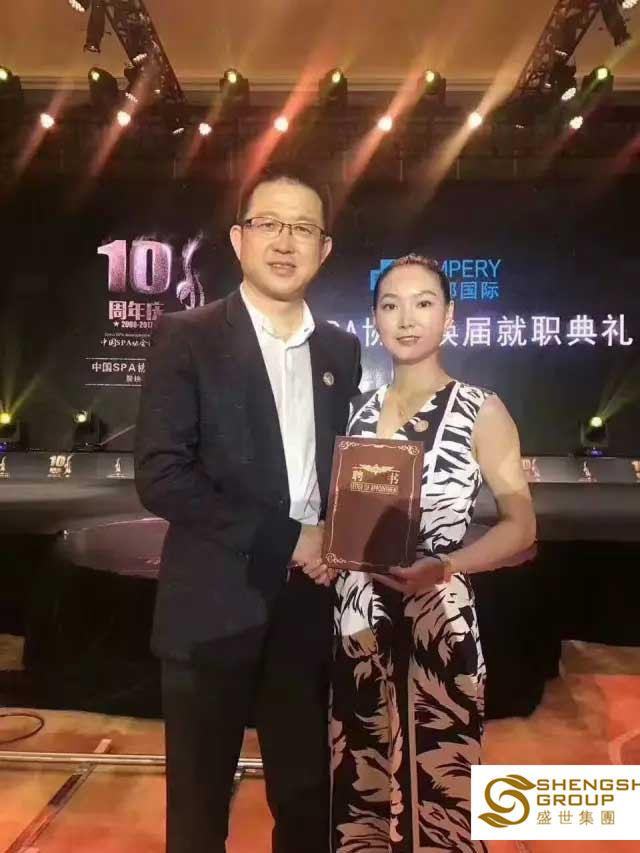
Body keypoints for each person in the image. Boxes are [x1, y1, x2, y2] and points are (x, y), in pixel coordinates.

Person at [135, 164, 361, 853]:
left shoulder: (340, 349)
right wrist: (291, 537)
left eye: (304, 228)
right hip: (212, 609)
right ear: (239, 240)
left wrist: (344, 537)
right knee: (199, 814)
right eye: (269, 224)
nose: (285, 242)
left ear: (324, 249)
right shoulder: (187, 335)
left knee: (307, 802)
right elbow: (162, 476)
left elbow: (341, 469)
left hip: (307, 610)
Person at [330, 254, 536, 852]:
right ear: (374, 319)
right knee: (362, 786)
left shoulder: (480, 409)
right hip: (357, 627)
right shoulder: (355, 413)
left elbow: (522, 527)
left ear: (449, 316)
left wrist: (447, 566)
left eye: (423, 303)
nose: (406, 318)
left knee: (442, 793)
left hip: (438, 623)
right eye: (390, 305)